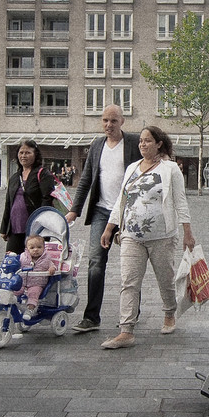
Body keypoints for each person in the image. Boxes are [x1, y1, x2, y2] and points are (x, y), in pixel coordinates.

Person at [99, 125, 196, 349]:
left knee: (165, 279)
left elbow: (180, 201)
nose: (142, 144)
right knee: (129, 282)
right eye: (141, 141)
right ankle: (126, 331)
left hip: (162, 236)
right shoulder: (132, 168)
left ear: (158, 144)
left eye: (148, 141)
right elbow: (121, 201)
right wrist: (109, 227)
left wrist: (187, 233)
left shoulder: (170, 169)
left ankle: (169, 313)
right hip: (131, 236)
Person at [65, 105, 141, 334]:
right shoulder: (97, 145)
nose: (108, 125)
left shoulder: (134, 143)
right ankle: (91, 317)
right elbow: (86, 179)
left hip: (129, 212)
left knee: (131, 265)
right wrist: (74, 210)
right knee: (95, 263)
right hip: (101, 211)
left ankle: (131, 314)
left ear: (122, 122)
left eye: (113, 121)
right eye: (105, 120)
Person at [0, 140, 56, 256]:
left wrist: (41, 224)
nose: (23, 156)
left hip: (35, 229)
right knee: (12, 262)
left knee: (35, 265)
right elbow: (8, 203)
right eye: (21, 153)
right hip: (15, 227)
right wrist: (4, 228)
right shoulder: (15, 177)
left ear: (35, 155)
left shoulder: (43, 174)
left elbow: (47, 200)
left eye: (28, 153)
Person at [19, 235, 58, 319]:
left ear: (44, 248)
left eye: (39, 247)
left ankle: (30, 309)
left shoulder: (46, 258)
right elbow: (17, 263)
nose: (36, 249)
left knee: (33, 293)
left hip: (37, 283)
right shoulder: (23, 257)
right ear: (27, 249)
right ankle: (11, 304)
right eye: (32, 248)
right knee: (15, 290)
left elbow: (52, 265)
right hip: (23, 282)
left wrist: (52, 268)